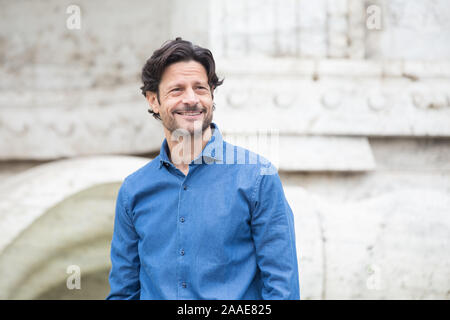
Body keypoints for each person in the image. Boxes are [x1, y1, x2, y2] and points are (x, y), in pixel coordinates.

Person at [106, 38, 300, 300]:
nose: (191, 99)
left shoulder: (257, 177)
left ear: (211, 96)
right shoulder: (134, 190)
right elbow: (123, 291)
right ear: (153, 100)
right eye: (177, 90)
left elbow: (282, 288)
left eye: (200, 88)